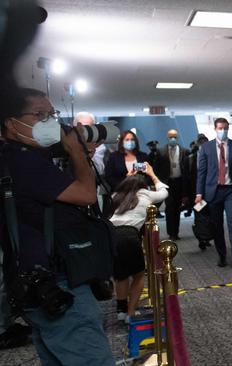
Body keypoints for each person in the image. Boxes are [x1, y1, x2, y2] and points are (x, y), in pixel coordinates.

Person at [0, 88, 114, 365]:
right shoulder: (24, 161)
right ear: (11, 124)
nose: (49, 121)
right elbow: (86, 195)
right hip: (57, 280)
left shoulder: (14, 157)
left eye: (51, 114)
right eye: (39, 114)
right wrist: (76, 151)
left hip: (33, 277)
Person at [110, 163, 168, 323]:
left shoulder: (117, 195)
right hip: (129, 235)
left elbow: (123, 187)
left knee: (120, 276)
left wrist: (128, 177)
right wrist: (153, 174)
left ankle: (121, 311)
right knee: (138, 275)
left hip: (112, 236)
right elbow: (164, 193)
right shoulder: (145, 194)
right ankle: (130, 313)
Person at [195, 118, 232, 270]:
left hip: (231, 190)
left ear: (228, 128)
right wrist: (199, 193)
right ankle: (222, 255)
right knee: (216, 226)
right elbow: (201, 172)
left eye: (225, 128)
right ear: (215, 129)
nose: (222, 131)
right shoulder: (206, 148)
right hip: (213, 191)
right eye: (220, 128)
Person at [73, 111, 111, 215]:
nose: (86, 130)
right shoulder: (68, 147)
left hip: (97, 189)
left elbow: (102, 170)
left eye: (90, 127)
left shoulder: (101, 147)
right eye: (82, 126)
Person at [155, 129, 189, 240]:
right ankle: (171, 233)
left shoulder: (184, 151)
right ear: (167, 137)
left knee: (177, 208)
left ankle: (176, 232)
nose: (172, 139)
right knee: (170, 208)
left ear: (177, 137)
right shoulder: (161, 151)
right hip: (167, 183)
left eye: (174, 136)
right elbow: (157, 169)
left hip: (179, 183)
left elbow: (186, 170)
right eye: (170, 137)